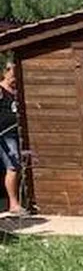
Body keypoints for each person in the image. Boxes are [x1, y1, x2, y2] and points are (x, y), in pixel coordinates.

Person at [0, 61, 25, 215]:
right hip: (4, 135)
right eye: (13, 73)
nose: (15, 77)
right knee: (12, 166)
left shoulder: (15, 90)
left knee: (17, 167)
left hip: (17, 133)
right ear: (5, 71)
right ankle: (14, 205)